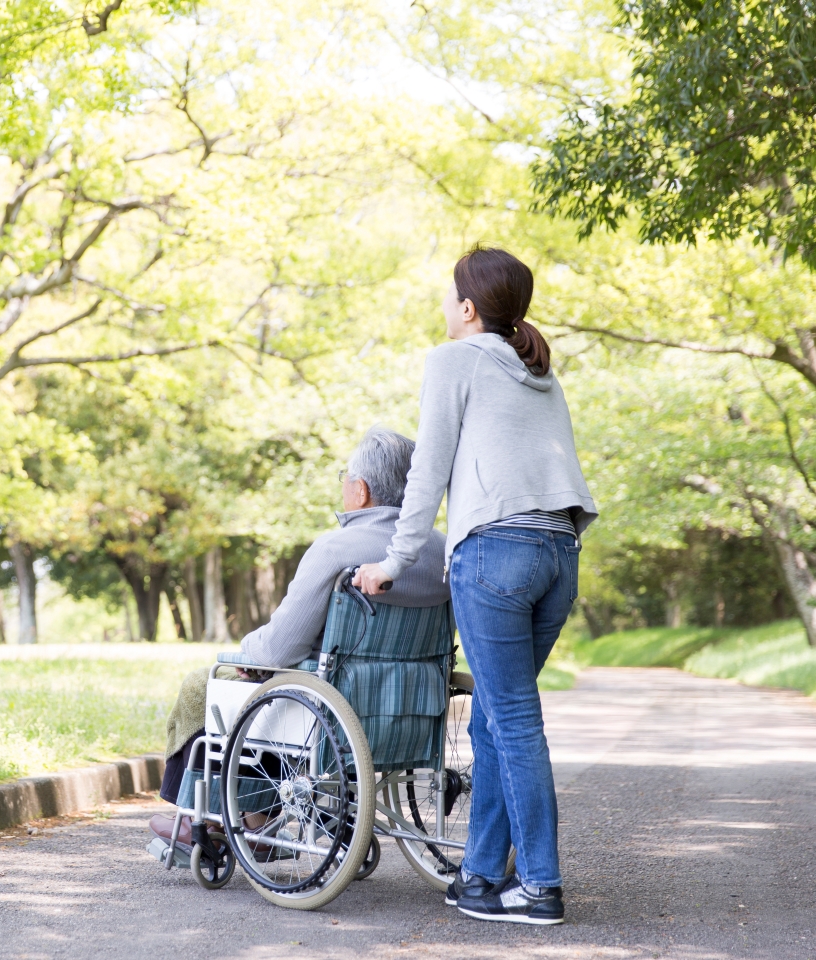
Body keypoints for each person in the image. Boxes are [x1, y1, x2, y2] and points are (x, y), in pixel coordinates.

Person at [353, 246, 597, 926]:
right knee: (493, 716)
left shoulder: (453, 359)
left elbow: (426, 471)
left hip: (496, 552)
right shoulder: (537, 372)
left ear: (467, 307)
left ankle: (541, 886)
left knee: (513, 720)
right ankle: (483, 877)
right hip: (559, 552)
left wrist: (394, 563)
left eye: (448, 294)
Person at [150, 426, 449, 848]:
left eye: (345, 478)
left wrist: (245, 653)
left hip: (330, 706)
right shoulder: (443, 553)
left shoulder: (336, 548)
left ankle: (209, 816)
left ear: (360, 491)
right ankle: (254, 818)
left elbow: (278, 648)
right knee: (280, 691)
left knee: (208, 684)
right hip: (410, 707)